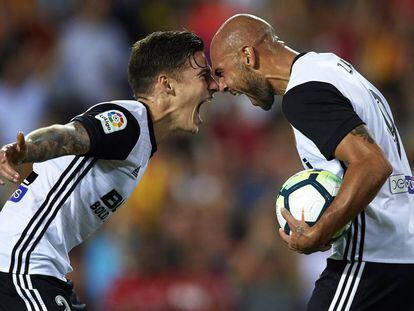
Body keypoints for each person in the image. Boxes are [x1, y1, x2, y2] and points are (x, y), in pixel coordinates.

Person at [0, 30, 218, 310]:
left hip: (37, 266)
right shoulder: (129, 122)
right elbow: (70, 135)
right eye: (203, 76)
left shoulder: (142, 141)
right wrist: (25, 150)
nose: (213, 86)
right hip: (21, 264)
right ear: (167, 84)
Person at [210, 14, 414, 310]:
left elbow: (372, 164)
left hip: (372, 260)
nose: (222, 86)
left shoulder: (303, 95)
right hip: (400, 250)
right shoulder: (328, 66)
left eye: (221, 72)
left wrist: (321, 231)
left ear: (247, 55)